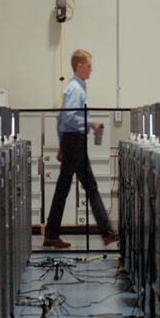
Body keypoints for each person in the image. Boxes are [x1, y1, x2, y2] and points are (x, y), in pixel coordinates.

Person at [43, 49, 118, 248]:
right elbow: (68, 117)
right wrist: (91, 123)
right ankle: (106, 231)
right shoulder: (75, 89)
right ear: (80, 66)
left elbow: (61, 119)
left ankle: (52, 234)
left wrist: (61, 144)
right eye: (89, 65)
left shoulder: (75, 87)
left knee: (69, 187)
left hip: (72, 141)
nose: (91, 70)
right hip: (74, 140)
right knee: (80, 186)